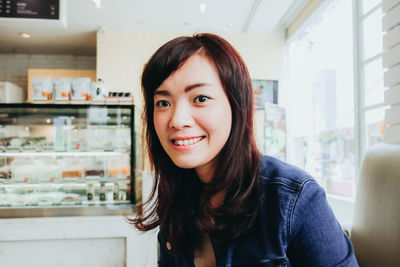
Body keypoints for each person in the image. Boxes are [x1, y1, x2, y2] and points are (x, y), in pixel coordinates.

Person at [131, 33, 358, 267]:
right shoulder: (177, 195)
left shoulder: (294, 199)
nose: (177, 120)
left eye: (200, 98)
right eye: (163, 103)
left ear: (236, 105)